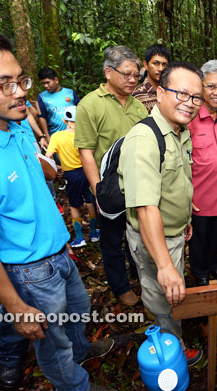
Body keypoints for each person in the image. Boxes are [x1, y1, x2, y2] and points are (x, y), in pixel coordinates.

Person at [0, 24, 117, 391]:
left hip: (57, 252)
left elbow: (38, 183)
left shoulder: (14, 126)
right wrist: (17, 308)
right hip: (28, 272)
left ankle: (82, 352)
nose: (20, 94)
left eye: (21, 80)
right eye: (4, 84)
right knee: (53, 342)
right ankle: (74, 389)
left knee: (77, 316)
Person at [118, 61, 204, 365]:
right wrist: (164, 265)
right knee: (162, 295)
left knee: (173, 291)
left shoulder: (179, 131)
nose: (190, 103)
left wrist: (185, 218)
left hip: (175, 232)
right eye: (181, 93)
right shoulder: (145, 139)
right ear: (159, 91)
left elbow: (175, 181)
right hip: (154, 239)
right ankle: (172, 351)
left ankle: (172, 336)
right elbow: (145, 208)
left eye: (196, 97)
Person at [75, 45, 148, 306]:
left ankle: (138, 275)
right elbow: (86, 152)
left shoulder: (139, 107)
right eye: (127, 74)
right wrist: (98, 192)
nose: (132, 79)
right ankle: (120, 286)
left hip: (137, 185)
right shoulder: (89, 105)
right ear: (108, 72)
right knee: (111, 241)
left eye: (136, 75)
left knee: (138, 235)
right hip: (109, 187)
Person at [187, 59, 217, 286]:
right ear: (201, 87)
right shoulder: (189, 119)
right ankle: (199, 273)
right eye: (211, 86)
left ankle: (212, 265)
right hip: (198, 197)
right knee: (199, 240)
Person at [45, 105, 99, 247]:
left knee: (75, 206)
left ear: (64, 120)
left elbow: (48, 156)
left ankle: (80, 238)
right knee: (90, 201)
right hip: (87, 171)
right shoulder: (85, 134)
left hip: (71, 174)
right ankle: (94, 233)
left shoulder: (57, 137)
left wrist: (56, 167)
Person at [37, 66, 80, 138]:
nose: (46, 86)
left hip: (75, 135)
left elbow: (80, 110)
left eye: (48, 82)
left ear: (56, 80)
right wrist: (47, 137)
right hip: (56, 136)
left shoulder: (70, 93)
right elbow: (42, 117)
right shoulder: (42, 97)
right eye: (43, 83)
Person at [132, 44, 171, 113]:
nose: (160, 69)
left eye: (164, 64)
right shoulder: (138, 95)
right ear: (146, 65)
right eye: (156, 63)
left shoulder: (171, 90)